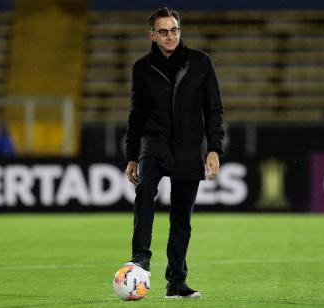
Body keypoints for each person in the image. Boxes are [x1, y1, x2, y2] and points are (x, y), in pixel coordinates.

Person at [124, 7, 225, 299]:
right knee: (145, 191)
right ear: (152, 35)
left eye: (175, 30)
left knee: (181, 218)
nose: (171, 36)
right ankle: (141, 258)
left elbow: (214, 109)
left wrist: (215, 149)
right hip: (153, 144)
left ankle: (176, 282)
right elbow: (136, 115)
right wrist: (131, 155)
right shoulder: (141, 68)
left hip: (189, 148)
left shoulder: (201, 63)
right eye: (164, 31)